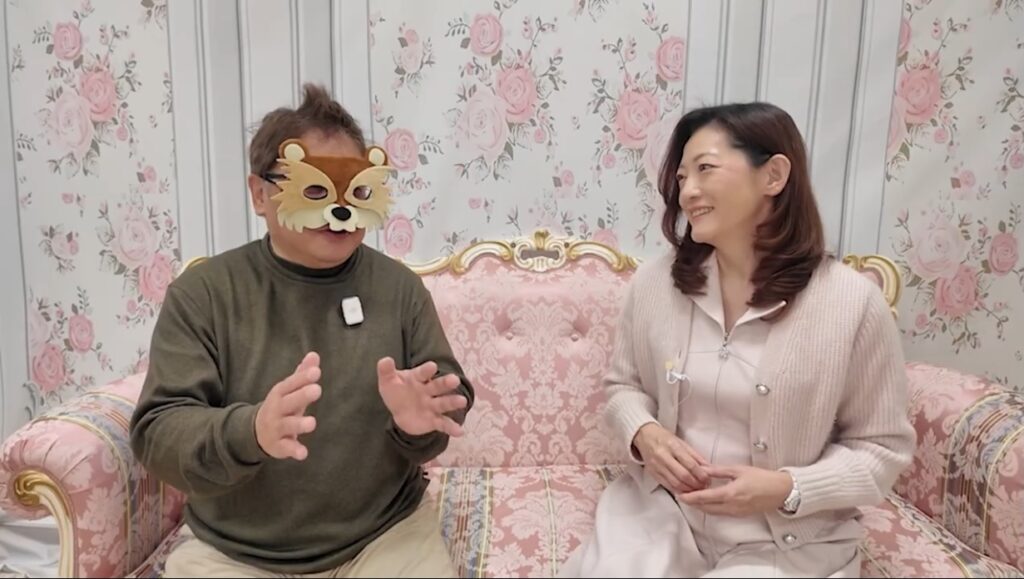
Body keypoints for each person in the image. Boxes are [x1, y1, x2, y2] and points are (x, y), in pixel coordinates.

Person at [129, 83, 473, 578]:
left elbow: (447, 394)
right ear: (259, 194)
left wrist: (420, 422)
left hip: (385, 537)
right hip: (234, 552)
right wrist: (250, 431)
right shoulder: (203, 295)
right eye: (314, 190)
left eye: (356, 191)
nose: (338, 210)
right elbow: (158, 433)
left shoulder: (399, 289)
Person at [562, 102, 916, 578]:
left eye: (705, 169)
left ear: (773, 175)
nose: (687, 191)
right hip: (664, 513)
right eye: (681, 176)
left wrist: (787, 488)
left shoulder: (852, 304)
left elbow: (881, 450)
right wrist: (645, 433)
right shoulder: (655, 284)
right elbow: (622, 387)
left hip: (785, 541)